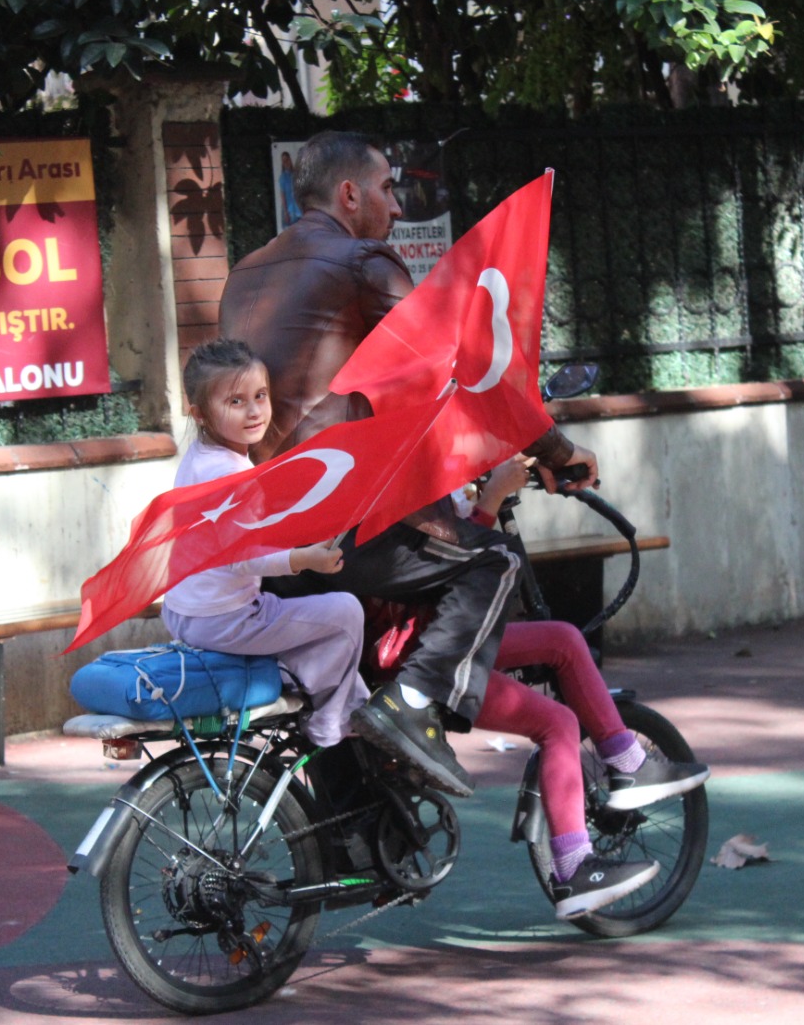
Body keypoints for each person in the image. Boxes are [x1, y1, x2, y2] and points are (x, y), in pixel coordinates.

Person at [219, 130, 601, 800]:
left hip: (265, 528)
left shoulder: (244, 273)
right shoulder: (366, 261)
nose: (397, 208)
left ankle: (348, 848)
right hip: (340, 523)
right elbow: (468, 375)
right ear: (349, 194)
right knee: (494, 561)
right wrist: (560, 453)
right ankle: (418, 704)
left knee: (335, 691)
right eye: (388, 189)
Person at [466, 457, 712, 917]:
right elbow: (447, 558)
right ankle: (576, 865)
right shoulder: (403, 473)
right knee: (559, 721)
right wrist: (490, 499)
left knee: (562, 639)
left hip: (440, 639)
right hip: (433, 652)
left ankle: (624, 759)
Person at [158, 338, 370, 750]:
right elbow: (239, 559)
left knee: (302, 610)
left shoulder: (201, 457)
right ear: (199, 413)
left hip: (184, 612)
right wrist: (302, 559)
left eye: (260, 396)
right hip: (224, 619)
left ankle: (329, 693)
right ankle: (332, 723)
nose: (254, 411)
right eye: (236, 402)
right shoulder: (230, 471)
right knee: (345, 612)